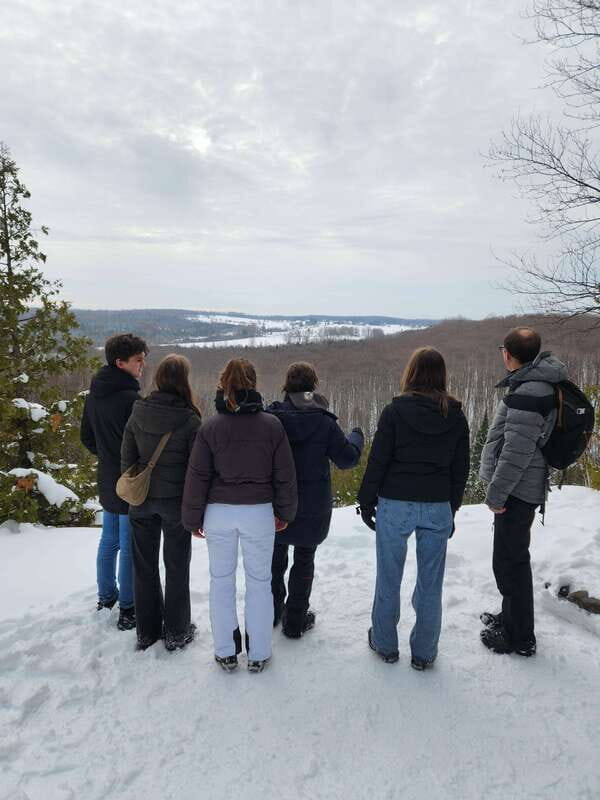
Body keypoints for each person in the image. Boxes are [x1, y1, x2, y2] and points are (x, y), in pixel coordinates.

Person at [357, 347, 469, 670]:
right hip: (437, 505)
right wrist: (452, 508)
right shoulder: (456, 415)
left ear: (412, 373)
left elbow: (378, 459)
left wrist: (366, 501)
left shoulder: (395, 412)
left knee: (388, 577)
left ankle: (385, 643)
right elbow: (461, 468)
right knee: (431, 582)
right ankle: (424, 652)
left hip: (395, 503)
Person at [182, 358, 297, 673]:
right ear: (254, 384)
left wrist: (192, 519)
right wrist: (285, 512)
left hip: (218, 513)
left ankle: (225, 651)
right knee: (260, 582)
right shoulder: (272, 426)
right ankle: (258, 653)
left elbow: (197, 477)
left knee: (221, 582)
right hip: (259, 512)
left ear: (223, 385)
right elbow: (284, 476)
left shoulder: (210, 427)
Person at [479, 327, 567, 657]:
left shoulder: (529, 394)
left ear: (509, 355)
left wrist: (496, 494)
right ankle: (511, 618)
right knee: (510, 558)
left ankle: (520, 638)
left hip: (517, 491)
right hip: (524, 487)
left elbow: (516, 453)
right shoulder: (538, 384)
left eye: (504, 349)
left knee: (511, 562)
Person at [266, 362, 364, 638]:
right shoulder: (323, 421)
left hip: (276, 506)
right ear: (313, 387)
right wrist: (357, 435)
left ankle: (271, 612)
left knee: (274, 559)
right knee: (304, 558)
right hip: (312, 507)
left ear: (287, 386)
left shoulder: (272, 418)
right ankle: (295, 622)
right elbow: (347, 458)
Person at [121, 355, 202, 652]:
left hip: (140, 501)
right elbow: (196, 469)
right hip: (175, 504)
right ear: (184, 380)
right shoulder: (190, 419)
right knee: (177, 566)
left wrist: (136, 485)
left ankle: (147, 632)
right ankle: (177, 632)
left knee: (143, 567)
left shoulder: (138, 410)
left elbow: (127, 457)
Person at [80, 333, 148, 630]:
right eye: (138, 361)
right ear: (120, 363)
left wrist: (106, 455)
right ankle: (129, 608)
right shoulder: (131, 399)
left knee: (109, 540)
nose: (142, 366)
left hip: (106, 475)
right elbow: (140, 444)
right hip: (128, 479)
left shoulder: (95, 393)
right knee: (127, 543)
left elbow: (86, 437)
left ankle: (106, 596)